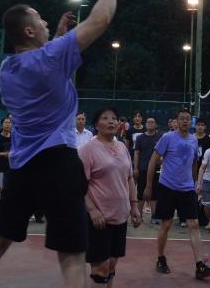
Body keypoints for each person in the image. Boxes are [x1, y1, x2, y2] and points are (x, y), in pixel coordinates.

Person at [0, 0, 129, 288]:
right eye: (40, 20)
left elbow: (40, 62)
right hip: (58, 163)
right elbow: (101, 19)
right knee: (72, 258)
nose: (44, 23)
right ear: (29, 30)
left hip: (23, 166)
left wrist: (56, 35)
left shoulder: (6, 70)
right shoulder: (52, 58)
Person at [144, 107, 210, 278]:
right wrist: (148, 186)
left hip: (187, 189)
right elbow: (153, 160)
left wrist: (195, 182)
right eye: (181, 118)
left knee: (194, 224)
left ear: (190, 122)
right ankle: (161, 259)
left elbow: (194, 163)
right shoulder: (167, 138)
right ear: (176, 122)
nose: (184, 121)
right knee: (166, 224)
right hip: (167, 187)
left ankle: (200, 266)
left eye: (187, 118)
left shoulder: (193, 140)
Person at [79, 107, 143, 286]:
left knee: (112, 264)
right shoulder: (87, 150)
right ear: (96, 125)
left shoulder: (122, 147)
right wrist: (92, 210)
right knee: (101, 269)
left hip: (120, 216)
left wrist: (134, 206)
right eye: (105, 118)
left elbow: (129, 177)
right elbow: (78, 185)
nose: (111, 121)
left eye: (114, 118)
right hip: (99, 219)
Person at [133, 116, 160, 221]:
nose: (150, 124)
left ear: (156, 125)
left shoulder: (160, 138)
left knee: (155, 193)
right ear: (145, 124)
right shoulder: (140, 138)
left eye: (152, 122)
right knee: (141, 193)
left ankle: (154, 216)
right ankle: (139, 215)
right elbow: (136, 153)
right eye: (148, 122)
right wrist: (136, 168)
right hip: (143, 168)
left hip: (157, 169)